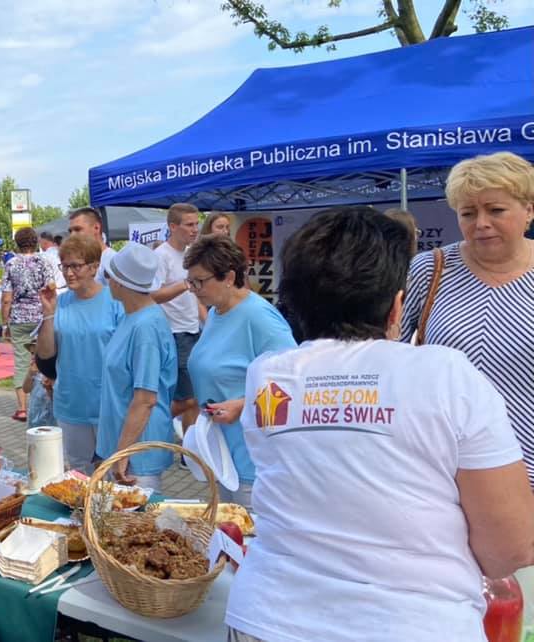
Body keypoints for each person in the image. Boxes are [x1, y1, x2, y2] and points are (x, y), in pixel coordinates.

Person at [225, 205, 534, 642]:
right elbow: (510, 548)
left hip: (268, 616)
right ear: (396, 306)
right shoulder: (446, 374)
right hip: (412, 623)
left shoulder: (268, 374)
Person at [400, 152, 534, 486]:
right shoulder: (430, 269)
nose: (481, 223)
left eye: (496, 210)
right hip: (443, 470)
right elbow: (390, 353)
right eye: (468, 213)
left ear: (529, 211)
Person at [184, 235, 296, 508]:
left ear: (229, 277)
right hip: (223, 457)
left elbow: (294, 380)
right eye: (190, 281)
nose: (193, 289)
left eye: (200, 281)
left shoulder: (259, 317)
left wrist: (242, 405)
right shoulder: (216, 312)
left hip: (252, 462)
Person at [37, 234, 124, 473]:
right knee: (79, 474)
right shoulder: (61, 303)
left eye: (76, 266)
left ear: (94, 267)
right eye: (64, 266)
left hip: (107, 404)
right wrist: (48, 313)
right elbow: (45, 355)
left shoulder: (115, 302)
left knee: (111, 474)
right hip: (71, 404)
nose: (69, 273)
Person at [97, 243, 177, 490]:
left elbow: (145, 399)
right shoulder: (131, 317)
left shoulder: (146, 328)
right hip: (124, 444)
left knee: (134, 512)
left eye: (109, 275)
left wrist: (123, 453)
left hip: (137, 453)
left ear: (120, 283)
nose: (107, 280)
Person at [153, 203, 207, 435]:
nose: (195, 229)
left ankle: (188, 445)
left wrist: (208, 323)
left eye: (196, 224)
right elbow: (152, 295)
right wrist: (184, 284)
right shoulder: (160, 256)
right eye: (189, 225)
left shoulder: (190, 254)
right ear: (173, 227)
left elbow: (193, 297)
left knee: (195, 397)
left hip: (193, 330)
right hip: (174, 333)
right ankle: (151, 424)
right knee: (189, 398)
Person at [1, 227, 56, 422]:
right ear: (35, 242)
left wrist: (5, 323)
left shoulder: (11, 264)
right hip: (42, 316)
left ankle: (22, 407)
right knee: (44, 359)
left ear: (17, 243)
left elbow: (6, 298)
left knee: (21, 361)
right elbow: (52, 287)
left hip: (19, 317)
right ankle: (45, 399)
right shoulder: (44, 262)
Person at [68, 207, 116, 286]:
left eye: (77, 229)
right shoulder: (78, 261)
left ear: (96, 228)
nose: (72, 235)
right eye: (70, 231)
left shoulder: (112, 261)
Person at [23, 346, 56, 428]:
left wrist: (49, 387)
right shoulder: (33, 371)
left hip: (52, 420)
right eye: (32, 353)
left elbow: (56, 399)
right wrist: (30, 374)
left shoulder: (55, 372)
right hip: (35, 417)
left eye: (37, 353)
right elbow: (26, 389)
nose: (33, 357)